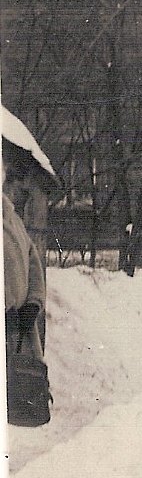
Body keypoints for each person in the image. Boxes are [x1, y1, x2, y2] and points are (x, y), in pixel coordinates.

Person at [4, 152, 46, 367]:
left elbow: (33, 263)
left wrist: (32, 304)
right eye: (18, 180)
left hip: (20, 330)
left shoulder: (14, 221)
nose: (25, 191)